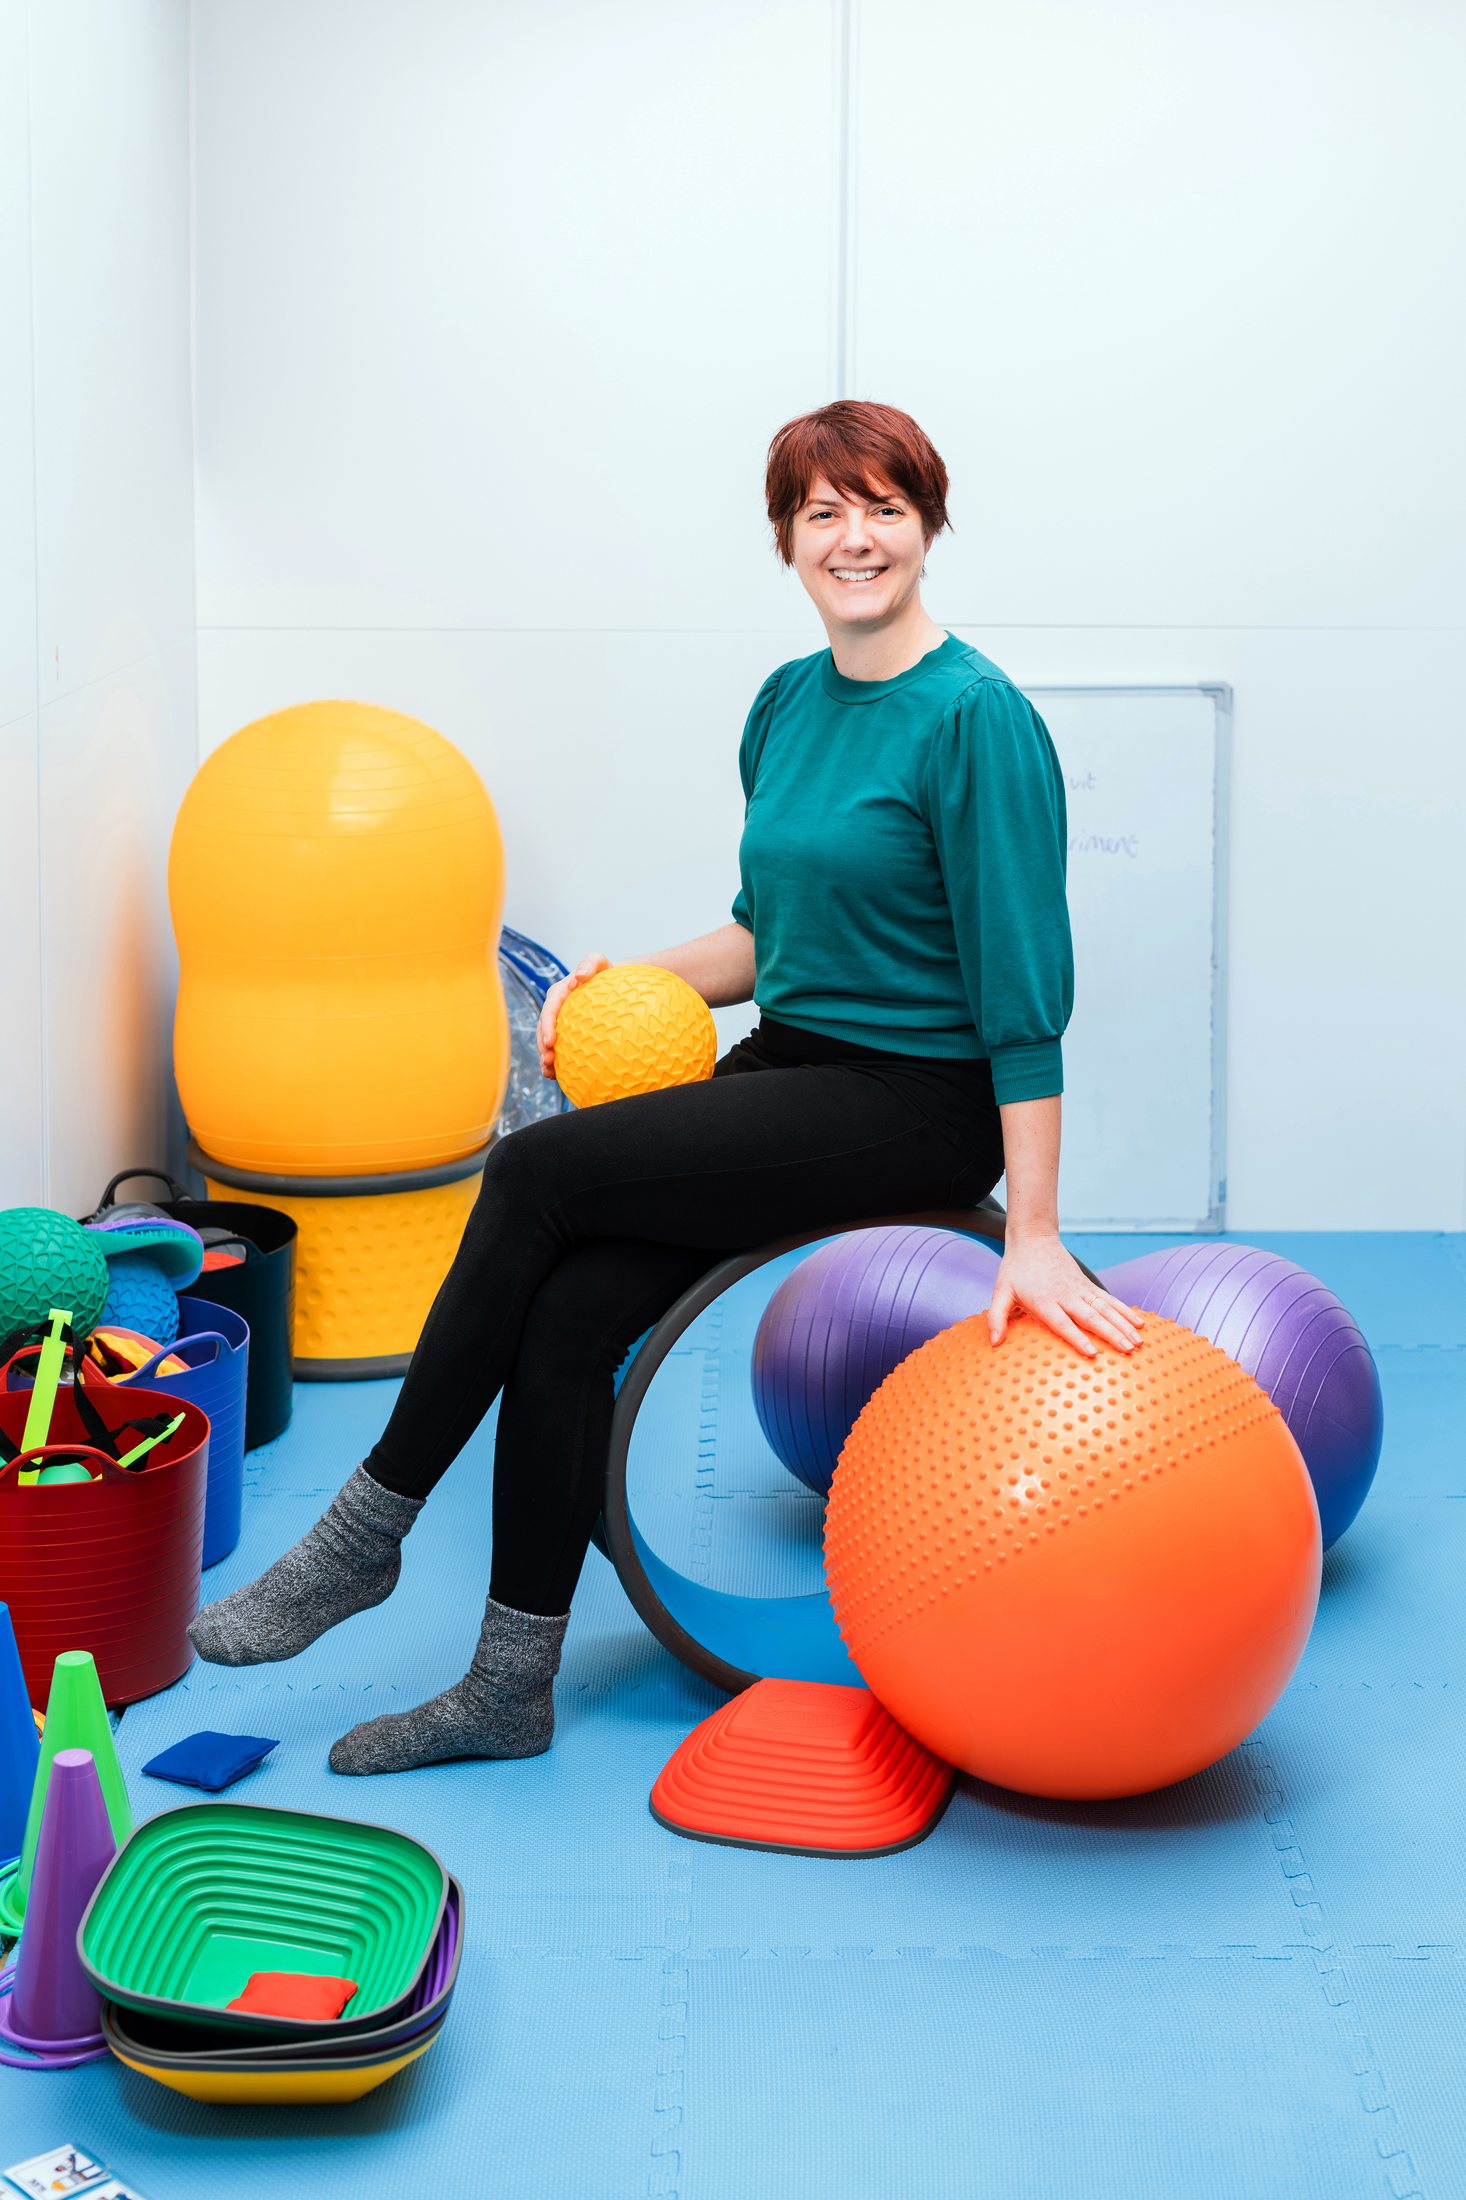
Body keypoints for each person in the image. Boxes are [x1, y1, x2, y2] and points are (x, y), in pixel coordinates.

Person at [188, 399, 1142, 1774]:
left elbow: (1024, 997)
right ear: (784, 541)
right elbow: (771, 938)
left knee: (529, 1170)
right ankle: (507, 1687)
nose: (853, 536)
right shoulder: (787, 705)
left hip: (918, 1100)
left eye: (882, 505)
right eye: (822, 512)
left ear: (929, 525)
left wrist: (1036, 1231)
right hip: (797, 1072)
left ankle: (361, 1537)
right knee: (570, 1311)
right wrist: (620, 981)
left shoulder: (976, 721)